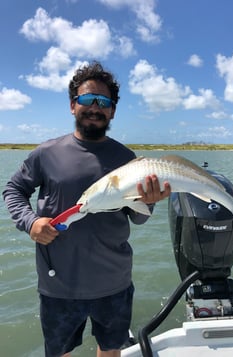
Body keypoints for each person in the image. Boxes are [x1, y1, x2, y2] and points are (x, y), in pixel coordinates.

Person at [2, 61, 171, 357]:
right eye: (87, 99)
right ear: (72, 105)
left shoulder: (128, 159)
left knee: (110, 350)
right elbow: (13, 190)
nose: (95, 107)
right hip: (59, 286)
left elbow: (138, 217)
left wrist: (149, 202)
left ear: (113, 111)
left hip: (114, 282)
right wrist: (30, 222)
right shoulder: (46, 153)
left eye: (103, 101)